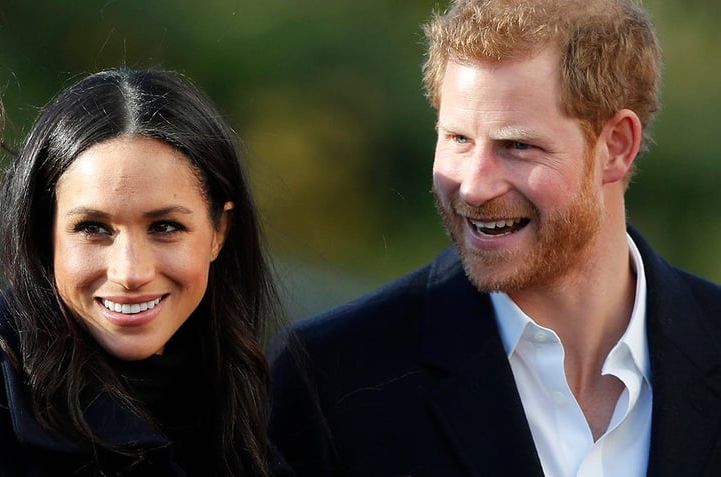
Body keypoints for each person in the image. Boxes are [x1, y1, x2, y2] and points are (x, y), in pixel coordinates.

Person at [268, 0, 721, 476]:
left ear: (616, 147)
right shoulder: (329, 378)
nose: (475, 186)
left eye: (518, 146)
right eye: (459, 139)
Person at [0, 68, 291, 476]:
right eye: (93, 228)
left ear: (219, 231)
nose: (130, 272)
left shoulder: (259, 420)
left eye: (165, 227)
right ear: (43, 232)